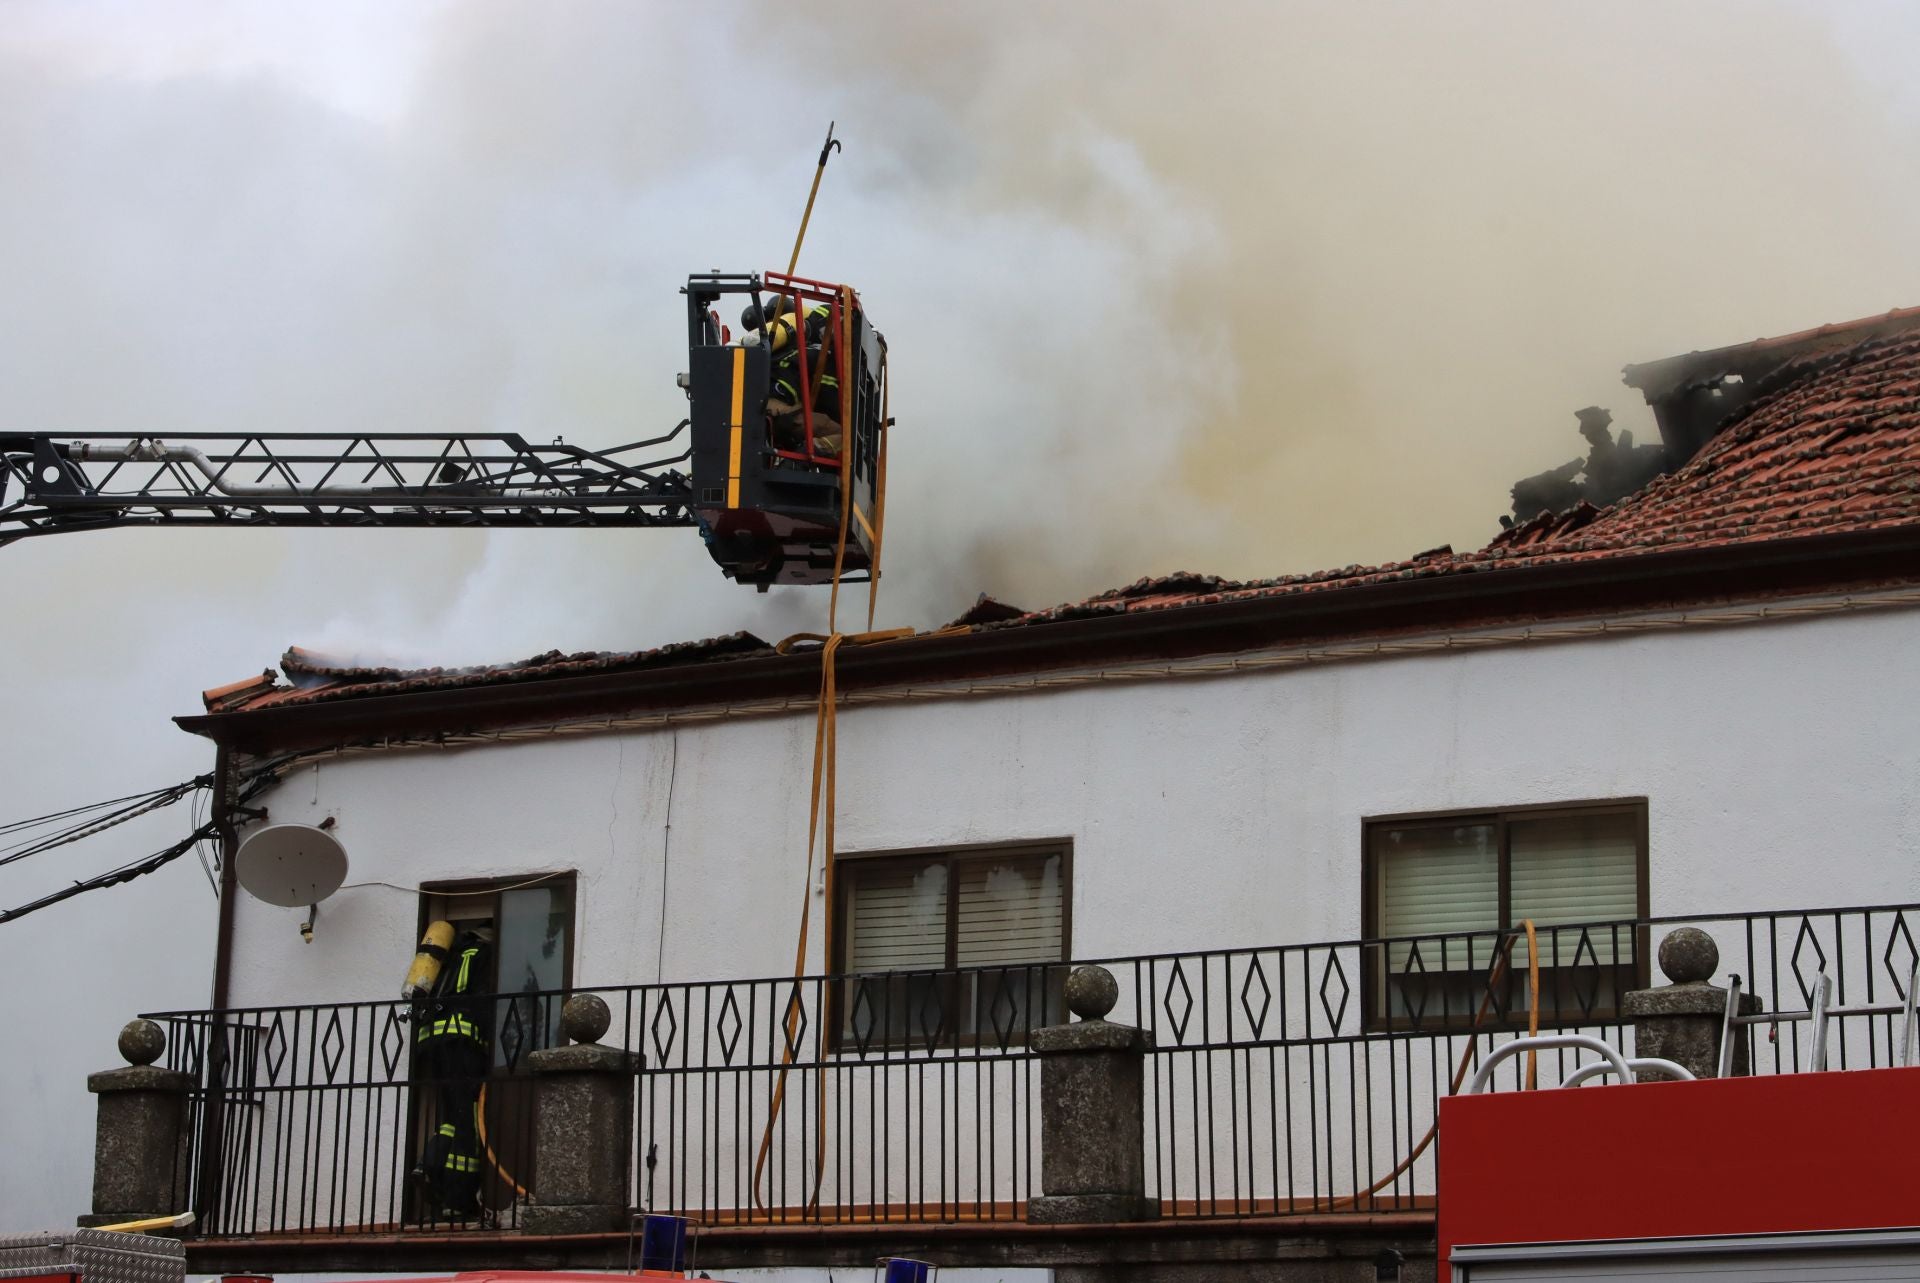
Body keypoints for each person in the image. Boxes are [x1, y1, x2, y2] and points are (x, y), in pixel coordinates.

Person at [413, 923, 494, 1222]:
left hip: (430, 1041)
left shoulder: (446, 956)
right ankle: (458, 1199)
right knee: (468, 1120)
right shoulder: (483, 953)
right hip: (461, 1039)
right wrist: (493, 1047)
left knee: (452, 1116)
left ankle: (428, 1164)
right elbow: (484, 1001)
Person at [744, 295, 842, 455]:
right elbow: (828, 397)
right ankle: (804, 454)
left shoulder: (764, 355)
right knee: (846, 438)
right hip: (784, 416)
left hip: (753, 411)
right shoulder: (813, 354)